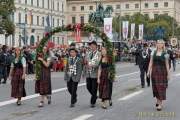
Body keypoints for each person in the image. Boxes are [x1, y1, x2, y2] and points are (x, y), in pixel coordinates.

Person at [147, 40, 170, 111]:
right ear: (156, 44)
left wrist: (168, 74)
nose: (159, 44)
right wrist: (148, 71)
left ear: (163, 45)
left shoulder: (165, 53)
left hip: (162, 72)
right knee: (155, 87)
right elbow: (151, 62)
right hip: (154, 71)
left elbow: (167, 64)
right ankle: (158, 100)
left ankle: (160, 104)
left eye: (161, 43)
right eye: (158, 43)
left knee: (161, 87)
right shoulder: (153, 52)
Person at [85, 41, 101, 108]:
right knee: (88, 86)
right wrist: (86, 64)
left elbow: (98, 63)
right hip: (88, 73)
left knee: (94, 88)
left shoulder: (99, 54)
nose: (91, 47)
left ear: (96, 46)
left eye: (93, 46)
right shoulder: (88, 53)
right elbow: (86, 61)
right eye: (91, 46)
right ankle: (95, 96)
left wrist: (92, 65)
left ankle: (92, 102)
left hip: (95, 73)